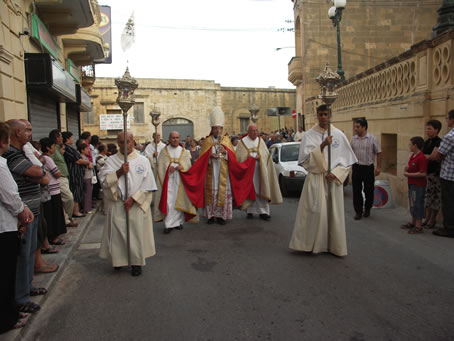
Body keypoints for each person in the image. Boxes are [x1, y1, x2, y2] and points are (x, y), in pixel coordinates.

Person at [288, 105, 357, 257]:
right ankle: (310, 245)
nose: (323, 117)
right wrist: (323, 145)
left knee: (334, 214)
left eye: (326, 114)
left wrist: (336, 173)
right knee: (315, 212)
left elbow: (347, 161)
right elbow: (304, 160)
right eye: (320, 114)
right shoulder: (309, 135)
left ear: (330, 115)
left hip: (333, 180)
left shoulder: (339, 134)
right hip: (316, 178)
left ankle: (334, 246)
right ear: (317, 115)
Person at [3, 120, 49, 313]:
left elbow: (43, 174)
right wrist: (36, 174)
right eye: (26, 131)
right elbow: (38, 171)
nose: (29, 134)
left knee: (30, 252)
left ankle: (27, 287)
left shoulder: (23, 152)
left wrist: (36, 174)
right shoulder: (11, 155)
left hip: (32, 211)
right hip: (22, 214)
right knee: (22, 255)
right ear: (17, 132)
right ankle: (21, 297)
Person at [98, 132, 157, 276]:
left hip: (136, 203)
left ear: (133, 142)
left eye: (128, 141)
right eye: (121, 142)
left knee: (136, 234)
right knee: (118, 235)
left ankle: (136, 263)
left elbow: (148, 184)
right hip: (118, 202)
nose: (125, 145)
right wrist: (119, 172)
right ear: (118, 143)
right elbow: (104, 181)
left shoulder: (143, 160)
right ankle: (119, 261)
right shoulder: (111, 161)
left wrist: (134, 199)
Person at [0, 122, 34, 333]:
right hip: (4, 227)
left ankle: (11, 310)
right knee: (6, 275)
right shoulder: (1, 165)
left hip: (6, 224)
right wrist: (23, 212)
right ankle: (7, 318)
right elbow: (10, 196)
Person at [235, 123, 282, 220]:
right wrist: (249, 159)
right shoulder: (242, 142)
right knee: (250, 190)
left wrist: (260, 158)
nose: (255, 132)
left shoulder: (261, 141)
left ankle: (263, 212)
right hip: (248, 172)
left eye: (256, 130)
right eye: (253, 130)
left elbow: (266, 156)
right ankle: (250, 210)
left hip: (260, 171)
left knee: (262, 189)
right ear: (248, 132)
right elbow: (239, 157)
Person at [154, 131, 198, 234]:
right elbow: (160, 167)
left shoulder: (183, 151)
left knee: (179, 201)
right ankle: (168, 224)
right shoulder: (164, 152)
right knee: (169, 201)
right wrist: (168, 168)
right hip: (168, 181)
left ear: (179, 138)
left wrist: (182, 167)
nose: (175, 139)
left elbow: (188, 166)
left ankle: (178, 223)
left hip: (180, 180)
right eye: (173, 137)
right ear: (169, 139)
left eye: (177, 137)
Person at [350, 118, 382, 220]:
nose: (355, 129)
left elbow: (379, 152)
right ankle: (358, 211)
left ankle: (367, 208)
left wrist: (378, 167)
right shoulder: (353, 139)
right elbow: (349, 152)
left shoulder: (372, 139)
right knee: (356, 190)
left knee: (369, 190)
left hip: (368, 168)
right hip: (357, 167)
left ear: (364, 127)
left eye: (358, 127)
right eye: (355, 126)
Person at [430, 110, 454, 238]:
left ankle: (449, 228)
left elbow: (438, 156)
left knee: (448, 202)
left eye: (447, 118)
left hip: (449, 174)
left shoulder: (449, 137)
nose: (447, 121)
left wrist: (431, 156)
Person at [40, 137, 67, 248]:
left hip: (49, 190)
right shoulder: (48, 159)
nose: (54, 149)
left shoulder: (43, 158)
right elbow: (57, 173)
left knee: (51, 215)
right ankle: (54, 237)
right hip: (53, 190)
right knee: (54, 215)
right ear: (48, 147)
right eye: (52, 147)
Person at [49, 129, 77, 227]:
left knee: (65, 199)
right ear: (56, 137)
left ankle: (66, 218)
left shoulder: (58, 148)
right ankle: (67, 218)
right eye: (60, 136)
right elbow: (50, 163)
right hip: (59, 178)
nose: (62, 138)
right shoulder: (52, 149)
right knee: (68, 198)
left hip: (64, 177)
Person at [400, 137, 427, 234]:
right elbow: (412, 166)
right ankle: (413, 222)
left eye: (410, 144)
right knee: (412, 202)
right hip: (411, 183)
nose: (409, 146)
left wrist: (408, 174)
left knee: (418, 204)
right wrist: (408, 168)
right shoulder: (413, 156)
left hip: (418, 185)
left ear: (415, 146)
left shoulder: (421, 157)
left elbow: (423, 173)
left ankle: (418, 226)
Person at [62, 132, 90, 218]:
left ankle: (76, 210)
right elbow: (77, 160)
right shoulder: (66, 149)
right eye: (70, 138)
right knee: (75, 192)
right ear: (66, 139)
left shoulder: (70, 148)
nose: (72, 139)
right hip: (74, 175)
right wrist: (87, 162)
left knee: (78, 191)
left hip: (78, 174)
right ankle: (75, 211)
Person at [422, 120, 442, 229]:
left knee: (435, 197)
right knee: (428, 197)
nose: (427, 131)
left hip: (435, 173)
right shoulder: (427, 142)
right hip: (427, 172)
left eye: (430, 129)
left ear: (436, 130)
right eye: (427, 128)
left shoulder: (438, 142)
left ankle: (432, 219)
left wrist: (424, 156)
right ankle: (427, 218)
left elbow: (434, 157)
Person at [78, 143, 94, 214]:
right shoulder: (82, 157)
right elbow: (90, 166)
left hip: (88, 176)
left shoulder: (84, 157)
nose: (88, 150)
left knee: (87, 192)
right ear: (82, 150)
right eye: (86, 149)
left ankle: (86, 207)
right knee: (87, 193)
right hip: (86, 176)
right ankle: (87, 208)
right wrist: (90, 164)